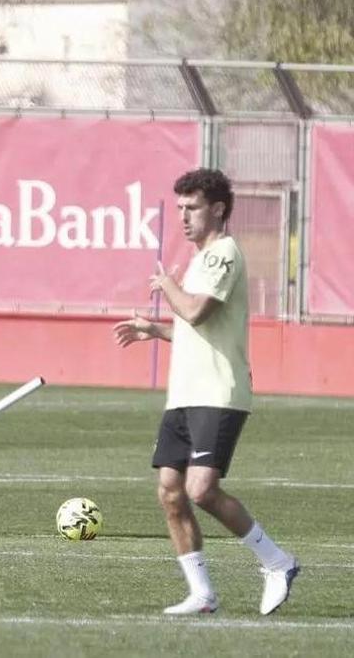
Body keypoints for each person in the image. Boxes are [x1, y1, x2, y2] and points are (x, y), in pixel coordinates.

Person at [113, 167, 299, 615]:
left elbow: (195, 312)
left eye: (192, 207)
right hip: (184, 394)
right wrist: (155, 330)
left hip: (218, 392)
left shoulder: (224, 255)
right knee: (169, 490)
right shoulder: (201, 259)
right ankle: (202, 593)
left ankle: (278, 562)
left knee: (201, 489)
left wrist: (167, 286)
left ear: (217, 209)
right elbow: (197, 330)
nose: (183, 216)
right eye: (179, 207)